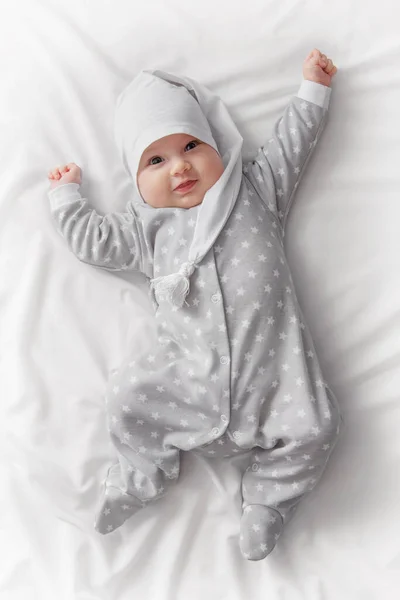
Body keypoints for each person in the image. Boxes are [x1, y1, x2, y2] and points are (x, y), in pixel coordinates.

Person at [47, 49, 341, 561]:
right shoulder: (144, 230)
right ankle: (142, 474)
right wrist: (66, 199)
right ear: (136, 180)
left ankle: (269, 502)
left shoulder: (256, 189)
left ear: (217, 147)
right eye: (155, 160)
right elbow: (94, 241)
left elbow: (293, 146)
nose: (179, 166)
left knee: (319, 426)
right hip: (187, 381)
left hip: (275, 380)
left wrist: (313, 89)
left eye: (190, 146)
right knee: (126, 396)